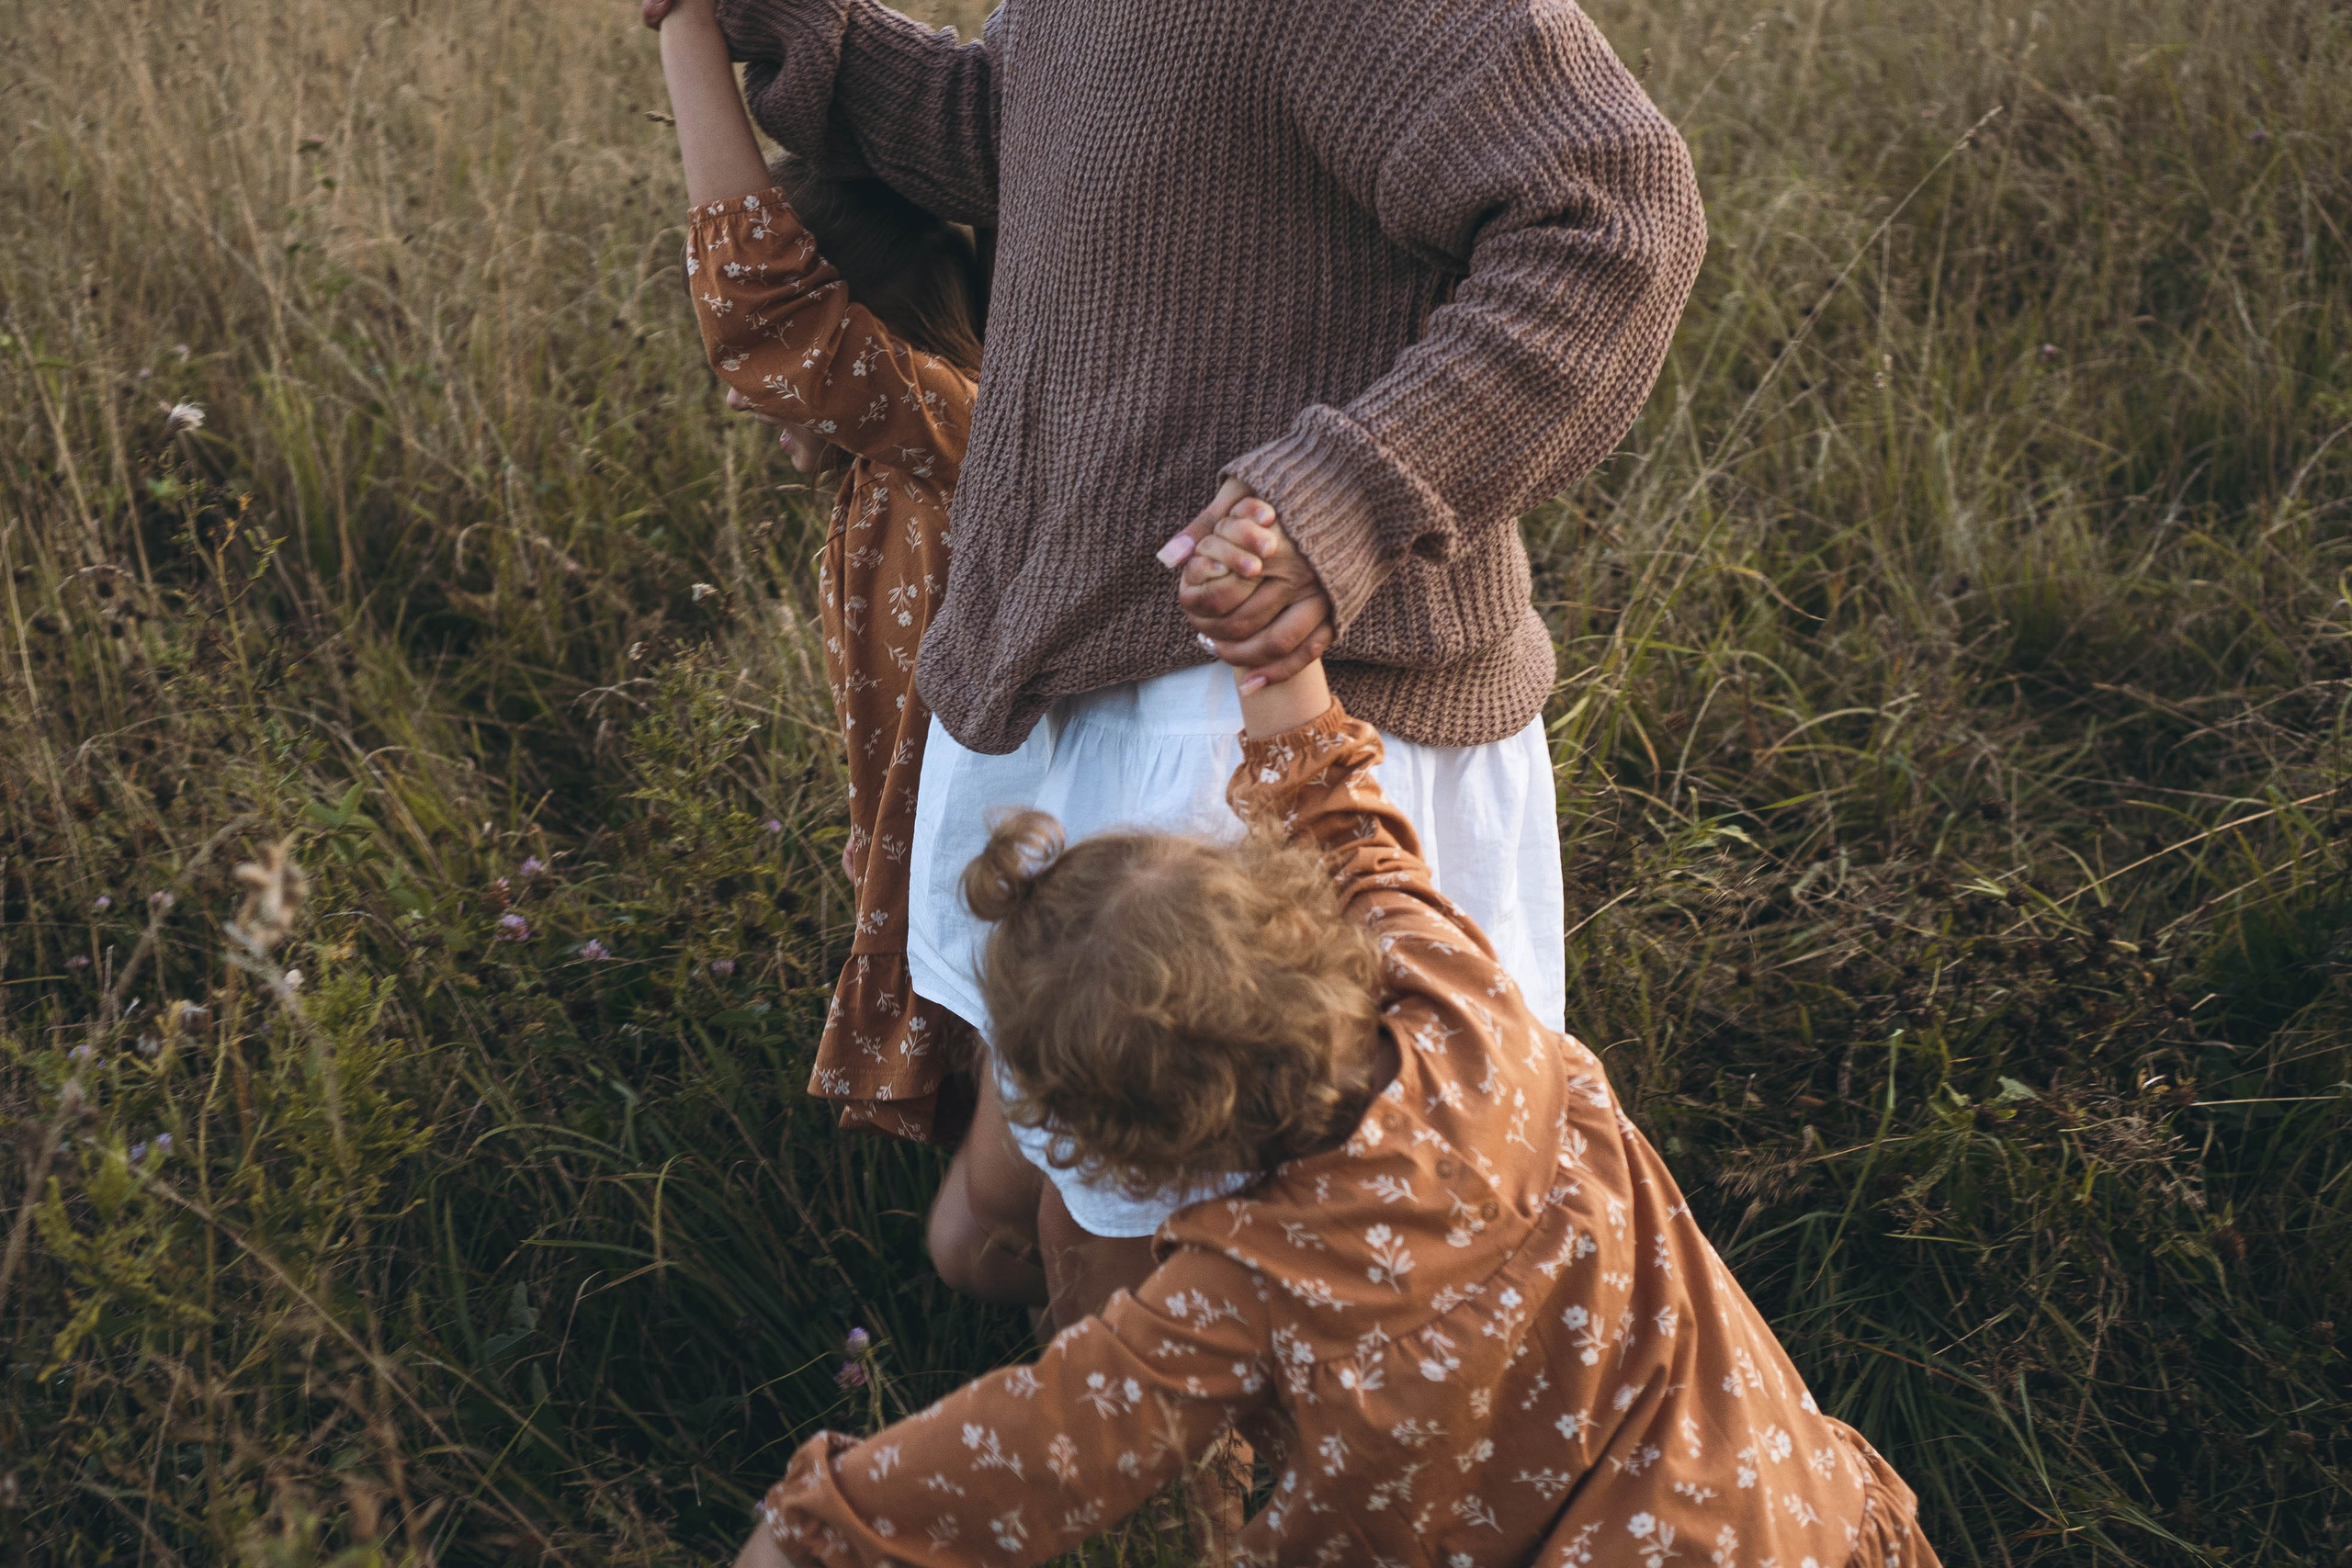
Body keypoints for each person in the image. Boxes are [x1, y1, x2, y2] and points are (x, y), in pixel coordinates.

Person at [675, 0, 1714, 1330]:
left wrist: (1342, 492)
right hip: (1094, 658)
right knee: (1097, 1215)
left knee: (1233, 1259)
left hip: (1267, 712)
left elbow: (1614, 214)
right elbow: (1021, 132)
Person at [727, 642, 1939, 1568]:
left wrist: (823, 1520)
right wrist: (1275, 657)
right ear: (1295, 922)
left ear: (1133, 1149)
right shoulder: (1463, 1002)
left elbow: (1043, 1440)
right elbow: (1346, 818)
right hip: (1783, 1508)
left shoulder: (1243, 1290)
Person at [654, 0, 989, 1145]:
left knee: (1032, 1204)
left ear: (862, 322)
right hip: (947, 870)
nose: (753, 394)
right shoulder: (891, 461)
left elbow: (759, 298)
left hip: (1006, 880)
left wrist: (685, 29)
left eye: (788, 377)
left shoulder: (945, 429)